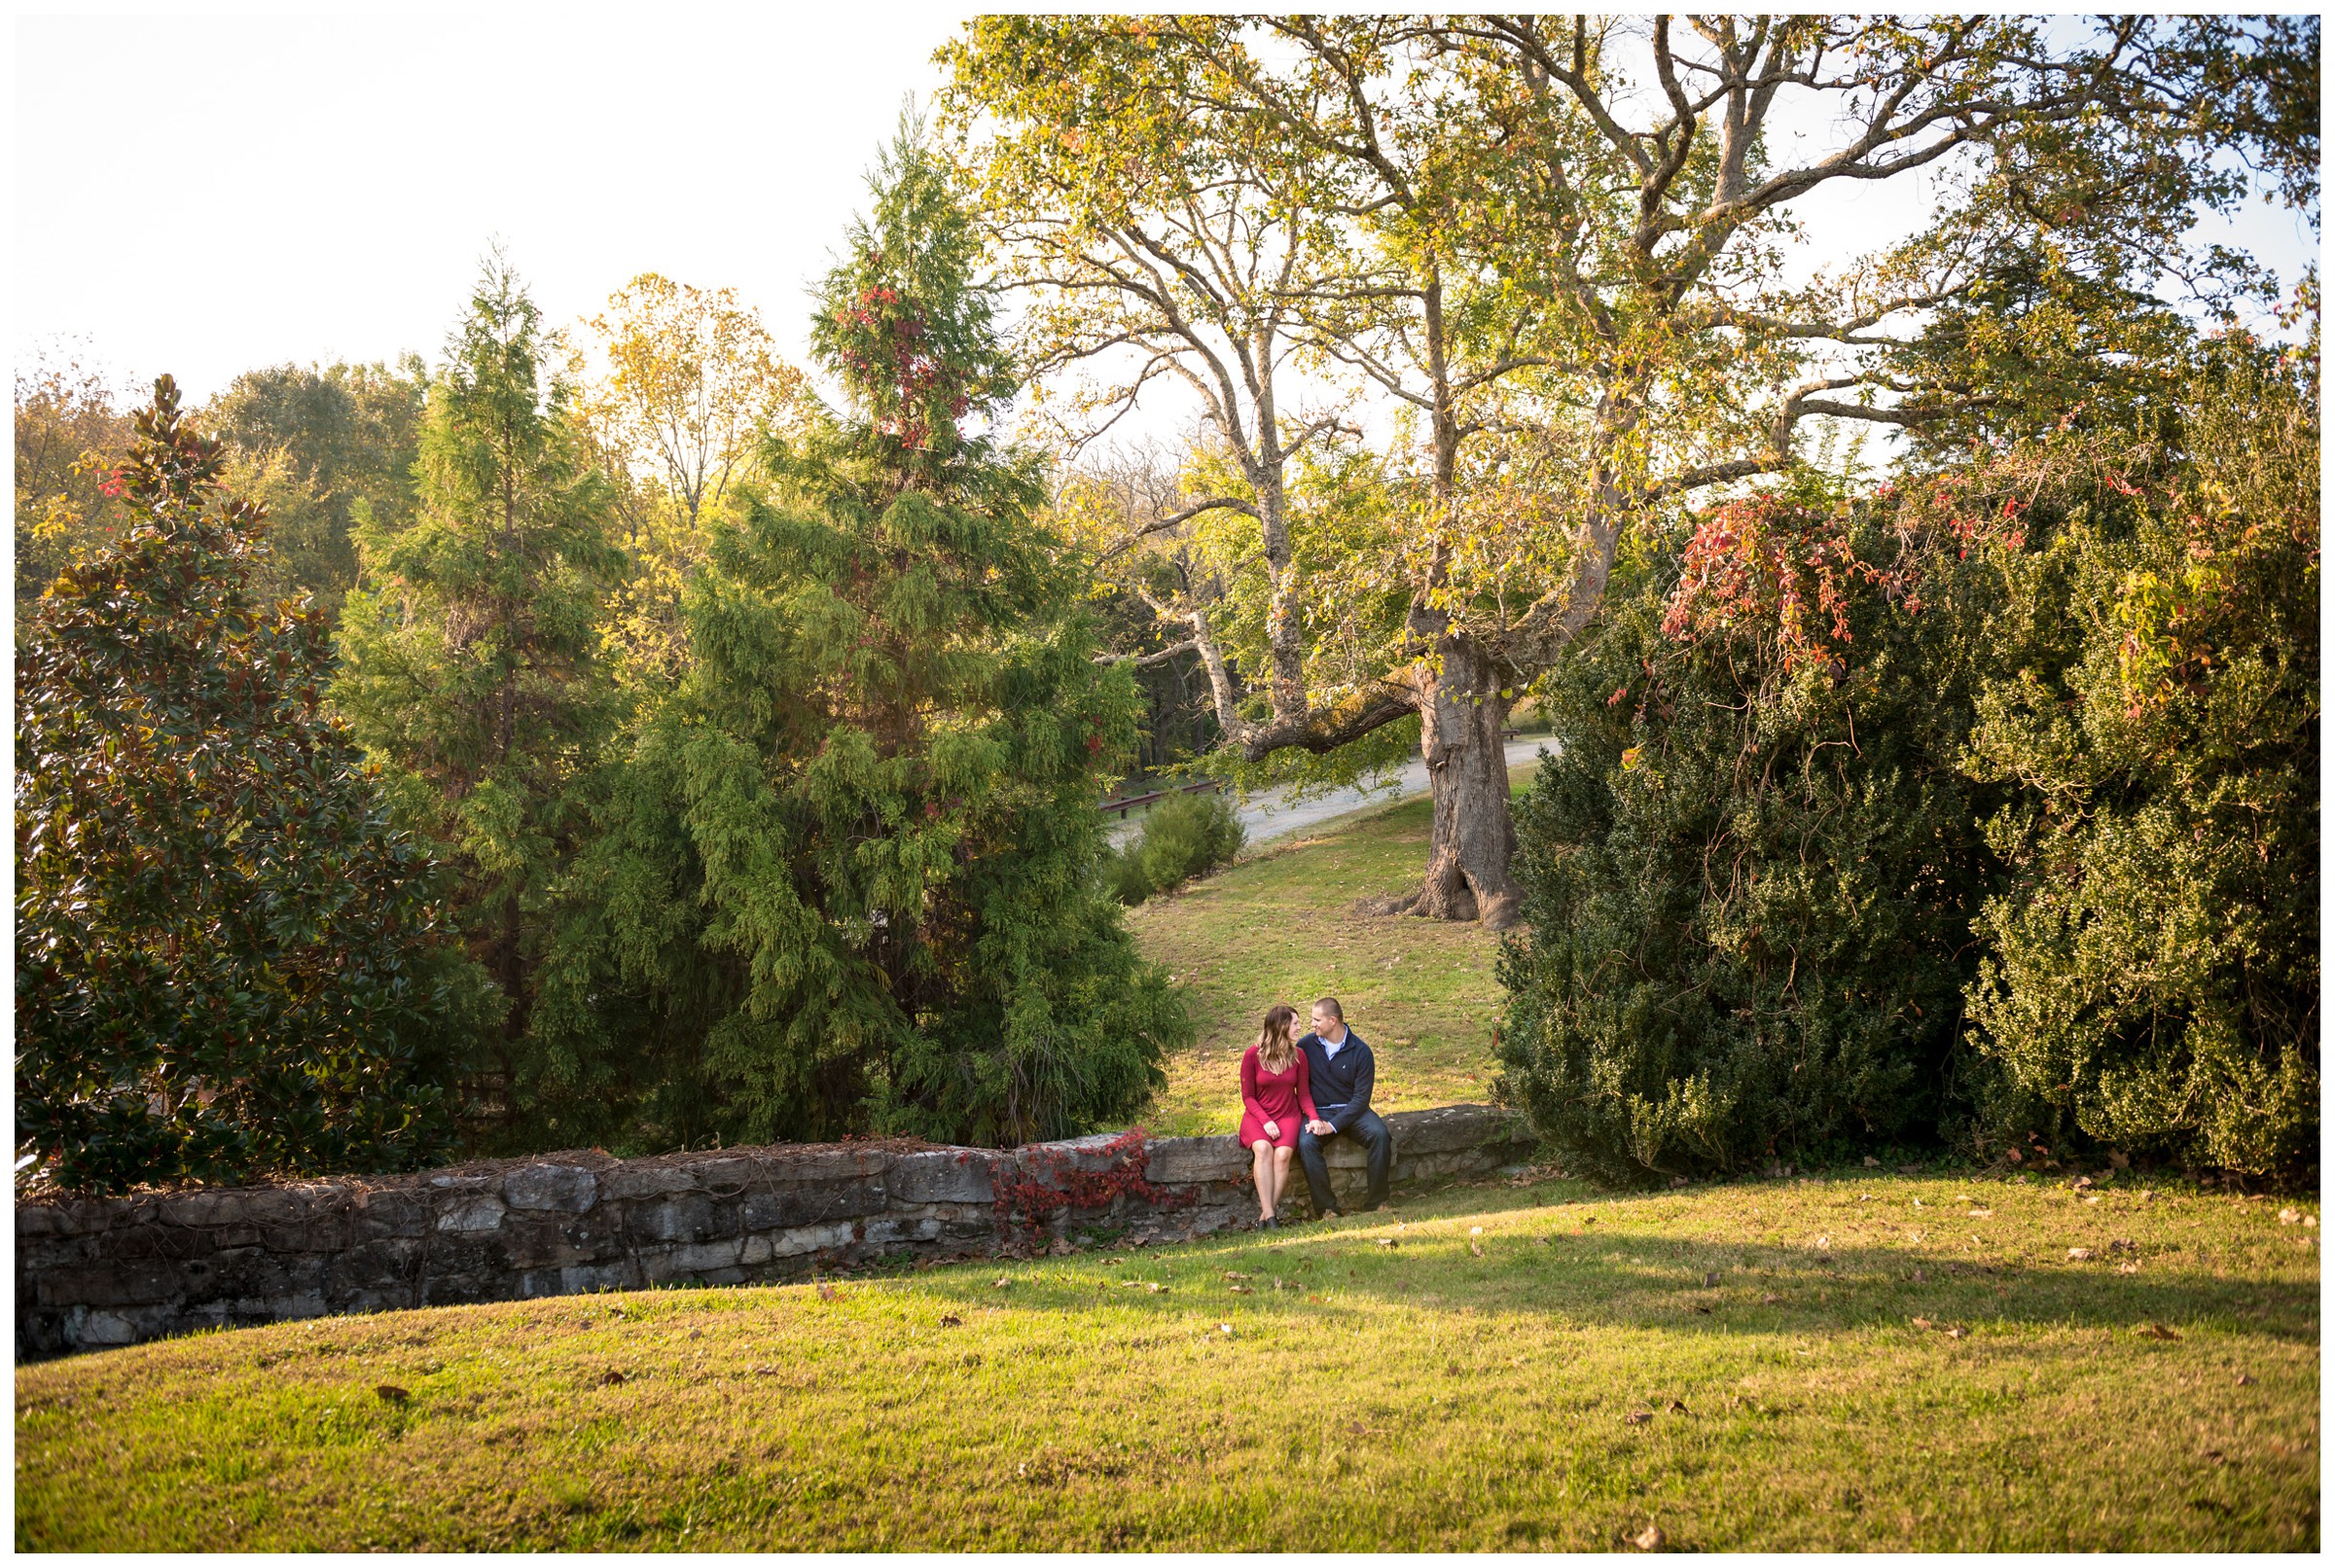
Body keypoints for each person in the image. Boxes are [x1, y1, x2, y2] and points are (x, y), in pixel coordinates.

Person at [1296, 996, 1393, 1217]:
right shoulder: (1306, 1047)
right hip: (1318, 1111)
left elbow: (1361, 1100)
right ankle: (1327, 1209)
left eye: (1316, 1020)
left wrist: (1333, 1125)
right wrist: (1316, 1119)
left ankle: (1376, 1202)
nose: (1312, 1024)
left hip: (1353, 1111)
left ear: (1333, 1020)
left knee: (1380, 1135)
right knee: (1306, 1143)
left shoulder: (1361, 1051)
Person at [1238, 1004, 1317, 1230]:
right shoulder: (1252, 1055)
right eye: (1295, 1023)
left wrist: (1313, 1117)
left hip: (1288, 1115)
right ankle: (1272, 1217)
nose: (1300, 1027)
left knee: (1282, 1155)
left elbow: (1303, 1095)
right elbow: (1248, 1097)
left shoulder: (1299, 1055)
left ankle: (1265, 1216)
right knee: (1262, 1149)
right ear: (1281, 1026)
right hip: (1258, 1116)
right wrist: (1266, 1121)